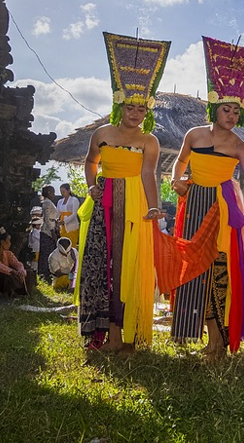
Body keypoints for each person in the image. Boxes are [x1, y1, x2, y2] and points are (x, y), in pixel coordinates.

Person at [166, 36, 244, 360]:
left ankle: (218, 342)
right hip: (194, 203)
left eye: (235, 111)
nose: (231, 116)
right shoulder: (194, 135)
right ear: (215, 108)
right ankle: (196, 334)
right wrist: (177, 179)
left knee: (219, 268)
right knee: (193, 267)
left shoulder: (239, 145)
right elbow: (181, 161)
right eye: (226, 109)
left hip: (223, 205)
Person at [76, 31, 169, 352]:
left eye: (141, 109)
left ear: (148, 112)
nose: (135, 113)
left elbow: (148, 174)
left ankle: (127, 335)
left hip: (135, 204)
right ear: (120, 105)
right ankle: (100, 335)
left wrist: (154, 207)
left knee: (129, 265)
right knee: (101, 264)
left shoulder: (149, 141)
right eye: (130, 107)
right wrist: (90, 185)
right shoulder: (102, 133)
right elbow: (91, 162)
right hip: (104, 202)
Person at [0, 227, 28, 297]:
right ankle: (17, 291)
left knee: (28, 272)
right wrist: (13, 271)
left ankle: (19, 291)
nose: (10, 243)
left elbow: (17, 263)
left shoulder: (8, 253)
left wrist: (21, 271)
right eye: (9, 241)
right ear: (2, 242)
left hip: (3, 282)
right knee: (5, 274)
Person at [37, 185, 60, 280]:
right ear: (49, 192)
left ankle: (46, 272)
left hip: (51, 228)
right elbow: (47, 218)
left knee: (48, 251)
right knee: (46, 253)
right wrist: (52, 231)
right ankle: (44, 273)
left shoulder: (49, 202)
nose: (54, 195)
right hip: (48, 231)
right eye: (53, 192)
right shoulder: (47, 203)